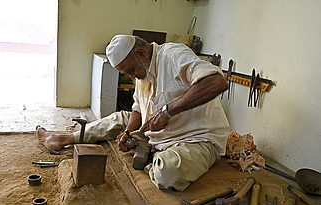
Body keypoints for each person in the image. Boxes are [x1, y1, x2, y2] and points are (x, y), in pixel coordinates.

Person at [36, 34, 230, 191]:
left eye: (130, 70)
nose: (131, 76)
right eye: (126, 73)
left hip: (196, 138)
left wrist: (166, 112)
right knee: (118, 118)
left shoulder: (173, 55)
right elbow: (138, 108)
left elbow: (216, 82)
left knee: (169, 173)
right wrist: (129, 132)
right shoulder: (142, 71)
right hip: (158, 131)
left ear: (141, 53)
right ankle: (65, 138)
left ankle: (154, 157)